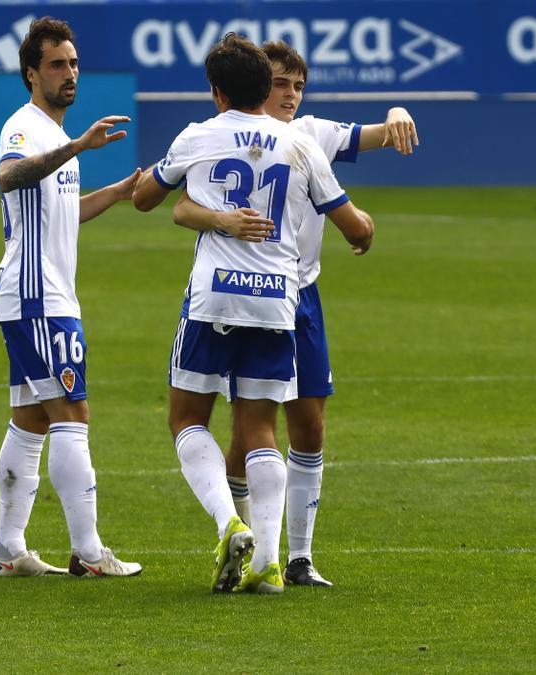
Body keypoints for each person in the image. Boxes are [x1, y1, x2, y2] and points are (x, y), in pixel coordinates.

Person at [132, 34, 374, 593]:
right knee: (261, 427)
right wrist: (366, 232)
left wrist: (158, 184)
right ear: (267, 87)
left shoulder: (199, 135)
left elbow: (148, 199)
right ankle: (268, 561)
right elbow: (353, 226)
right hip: (276, 300)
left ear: (216, 92)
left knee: (187, 418)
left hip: (213, 295)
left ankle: (228, 522)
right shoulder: (299, 145)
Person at [172, 41, 418, 587]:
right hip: (271, 295)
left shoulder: (313, 134)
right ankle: (259, 550)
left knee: (307, 425)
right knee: (249, 428)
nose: (289, 95)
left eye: (298, 86)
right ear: (261, 87)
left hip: (297, 297)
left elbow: (374, 134)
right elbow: (182, 204)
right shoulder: (270, 140)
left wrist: (396, 113)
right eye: (280, 84)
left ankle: (297, 557)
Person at [0, 17, 143, 578]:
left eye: (74, 63)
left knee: (30, 420)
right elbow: (9, 178)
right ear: (32, 74)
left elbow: (65, 214)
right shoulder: (26, 127)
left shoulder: (56, 138)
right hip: (37, 296)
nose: (69, 73)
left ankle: (9, 552)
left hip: (43, 294)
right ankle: (90, 551)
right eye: (57, 64)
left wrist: (119, 192)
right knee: (72, 414)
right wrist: (78, 144)